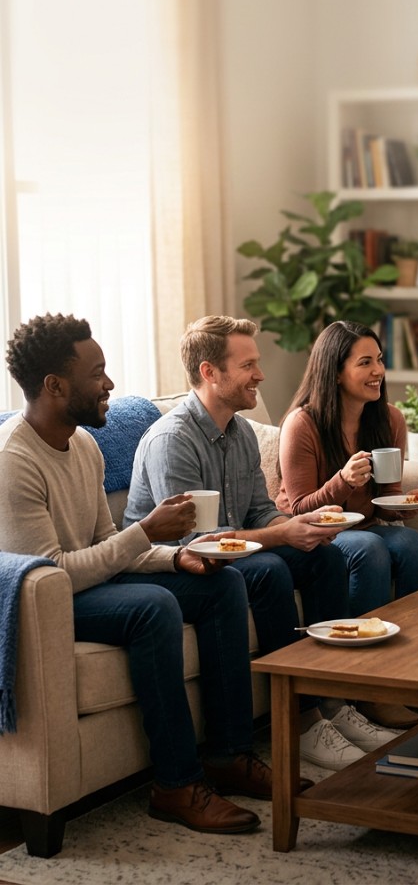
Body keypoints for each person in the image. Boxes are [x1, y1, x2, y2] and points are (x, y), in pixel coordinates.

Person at [0, 313, 268, 835]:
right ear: (55, 386)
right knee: (153, 607)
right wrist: (148, 533)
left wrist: (177, 557)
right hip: (45, 603)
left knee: (220, 583)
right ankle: (175, 783)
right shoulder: (14, 461)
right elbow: (51, 574)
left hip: (86, 578)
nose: (110, 384)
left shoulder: (84, 444)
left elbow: (106, 544)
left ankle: (230, 754)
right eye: (96, 372)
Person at [124, 315, 397, 771]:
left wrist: (302, 522)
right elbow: (196, 544)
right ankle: (304, 721)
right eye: (249, 365)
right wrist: (281, 532)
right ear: (210, 372)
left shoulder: (241, 432)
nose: (261, 375)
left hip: (231, 556)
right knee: (270, 571)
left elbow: (259, 513)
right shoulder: (173, 440)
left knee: (323, 557)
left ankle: (332, 702)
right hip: (174, 564)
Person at [276, 320, 418, 728]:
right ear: (335, 372)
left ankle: (416, 677)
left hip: (363, 526)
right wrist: (342, 482)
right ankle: (367, 689)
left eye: (379, 359)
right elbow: (298, 511)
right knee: (370, 548)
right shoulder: (302, 424)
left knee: (414, 546)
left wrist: (401, 507)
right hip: (314, 531)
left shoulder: (389, 419)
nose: (378, 370)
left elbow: (384, 502)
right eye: (365, 362)